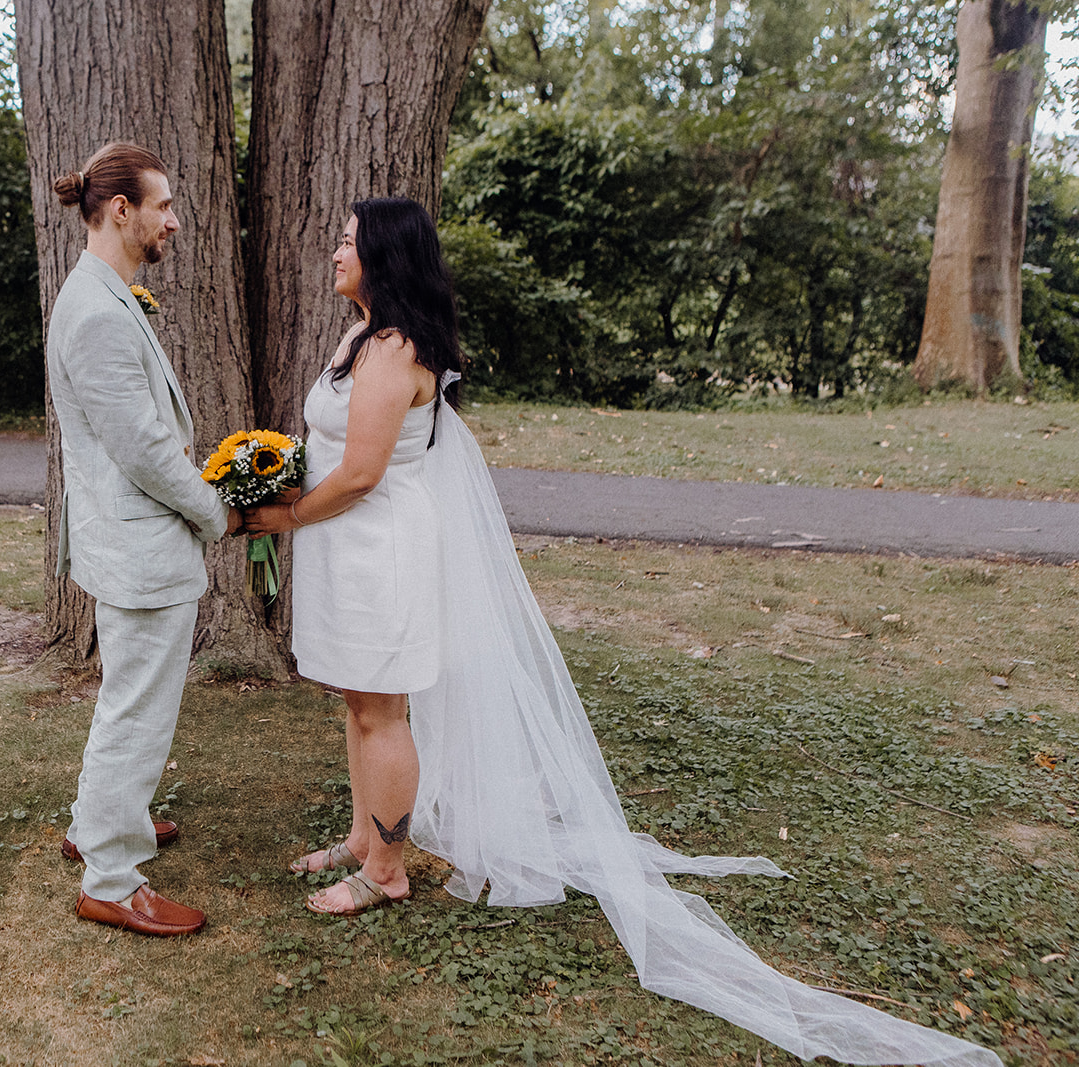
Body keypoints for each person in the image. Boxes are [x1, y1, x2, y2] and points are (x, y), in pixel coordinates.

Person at [243, 197, 999, 1066]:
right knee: (357, 698)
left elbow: (364, 472)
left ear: (384, 253)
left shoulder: (396, 350)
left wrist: (284, 515)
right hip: (345, 550)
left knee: (384, 709)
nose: (336, 248)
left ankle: (386, 869)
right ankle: (360, 834)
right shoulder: (358, 337)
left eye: (348, 239)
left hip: (379, 550)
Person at [45, 142, 240, 938]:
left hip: (126, 538)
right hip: (139, 545)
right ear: (121, 210)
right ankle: (111, 879)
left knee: (127, 698)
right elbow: (147, 452)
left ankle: (98, 821)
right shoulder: (96, 312)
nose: (174, 220)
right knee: (138, 712)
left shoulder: (103, 292)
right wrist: (216, 511)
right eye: (163, 205)